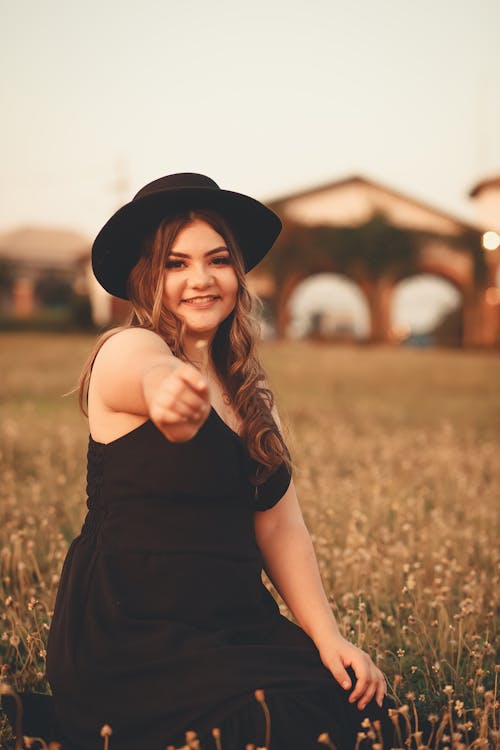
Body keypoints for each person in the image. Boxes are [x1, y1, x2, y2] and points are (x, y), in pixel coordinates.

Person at [46, 173, 398, 750]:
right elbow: (147, 373)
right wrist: (167, 391)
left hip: (232, 620)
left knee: (367, 717)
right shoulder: (126, 350)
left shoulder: (253, 398)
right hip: (133, 628)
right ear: (145, 279)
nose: (201, 280)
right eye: (176, 264)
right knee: (258, 732)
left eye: (217, 260)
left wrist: (328, 637)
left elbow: (281, 526)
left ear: (238, 272)